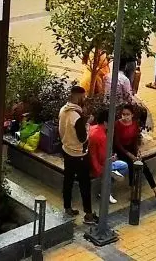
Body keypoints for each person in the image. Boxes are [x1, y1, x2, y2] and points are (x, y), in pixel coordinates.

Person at [113, 104, 156, 204]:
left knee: (144, 167)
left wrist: (137, 151)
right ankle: (133, 192)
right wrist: (130, 155)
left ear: (132, 115)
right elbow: (117, 144)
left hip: (131, 149)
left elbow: (135, 140)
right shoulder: (117, 125)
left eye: (128, 114)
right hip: (121, 151)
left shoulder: (134, 124)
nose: (125, 116)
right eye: (123, 114)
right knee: (131, 166)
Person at [58, 86, 97, 224]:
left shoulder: (63, 110)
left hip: (66, 150)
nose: (84, 99)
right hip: (79, 154)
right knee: (84, 184)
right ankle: (88, 214)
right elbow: (82, 138)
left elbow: (62, 130)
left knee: (68, 180)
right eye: (83, 96)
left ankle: (67, 207)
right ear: (78, 97)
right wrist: (88, 124)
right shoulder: (77, 116)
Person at [86, 109, 126, 204]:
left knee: (120, 165)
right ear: (105, 122)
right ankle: (106, 191)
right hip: (98, 167)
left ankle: (109, 179)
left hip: (90, 163)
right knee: (124, 166)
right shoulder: (102, 136)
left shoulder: (92, 128)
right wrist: (113, 158)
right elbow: (103, 157)